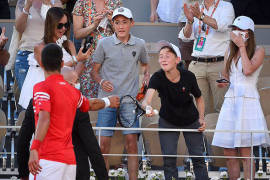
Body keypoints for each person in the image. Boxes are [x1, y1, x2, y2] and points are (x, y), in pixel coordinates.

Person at [27, 43, 119, 180]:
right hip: (69, 163)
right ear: (63, 63)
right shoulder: (73, 92)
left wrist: (34, 148)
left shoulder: (41, 87)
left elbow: (44, 118)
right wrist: (108, 101)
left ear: (41, 64)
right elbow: (90, 104)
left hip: (47, 159)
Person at [91, 7, 150, 180]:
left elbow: (146, 65)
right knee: (103, 145)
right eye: (117, 22)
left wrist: (145, 79)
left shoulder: (140, 43)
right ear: (113, 24)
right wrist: (102, 81)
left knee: (132, 145)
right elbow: (94, 72)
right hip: (107, 101)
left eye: (124, 22)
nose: (121, 26)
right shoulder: (103, 43)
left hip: (130, 101)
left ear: (132, 23)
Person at [17, 70, 109, 180]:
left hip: (46, 165)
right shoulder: (78, 104)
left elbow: (23, 140)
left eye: (77, 81)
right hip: (73, 168)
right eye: (73, 83)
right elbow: (92, 147)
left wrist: (23, 174)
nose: (76, 86)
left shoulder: (37, 100)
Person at [212, 16, 270, 180]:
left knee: (245, 150)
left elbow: (248, 70)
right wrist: (222, 82)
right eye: (235, 29)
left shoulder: (259, 50)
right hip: (231, 100)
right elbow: (226, 76)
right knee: (228, 151)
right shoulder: (229, 50)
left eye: (241, 30)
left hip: (247, 101)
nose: (236, 33)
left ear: (249, 34)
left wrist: (242, 48)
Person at [142, 41, 208, 180]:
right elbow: (147, 100)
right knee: (169, 160)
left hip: (191, 120)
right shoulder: (157, 77)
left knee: (198, 159)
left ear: (177, 59)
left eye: (167, 56)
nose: (163, 59)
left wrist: (201, 118)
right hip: (168, 121)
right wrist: (147, 107)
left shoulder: (188, 76)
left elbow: (199, 98)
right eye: (160, 56)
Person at [18, 7, 90, 109]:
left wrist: (83, 59)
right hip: (44, 94)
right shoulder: (40, 47)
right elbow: (51, 69)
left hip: (65, 92)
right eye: (60, 25)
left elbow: (74, 72)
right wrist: (76, 59)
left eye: (66, 25)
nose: (64, 29)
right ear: (51, 25)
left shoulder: (69, 44)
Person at [178, 0, 235, 114]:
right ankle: (201, 132)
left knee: (222, 107)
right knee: (198, 108)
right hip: (197, 64)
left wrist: (201, 16)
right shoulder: (197, 7)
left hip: (219, 64)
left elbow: (222, 26)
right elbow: (186, 36)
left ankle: (219, 132)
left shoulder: (226, 6)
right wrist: (189, 21)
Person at [72, 0, 121, 98]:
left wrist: (112, 21)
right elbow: (77, 34)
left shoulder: (115, 3)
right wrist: (93, 25)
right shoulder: (81, 3)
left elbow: (122, 33)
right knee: (89, 101)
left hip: (110, 60)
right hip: (89, 59)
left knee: (110, 98)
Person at [14, 0, 62, 91]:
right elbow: (19, 28)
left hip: (49, 55)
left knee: (48, 97)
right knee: (28, 102)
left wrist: (49, 4)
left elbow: (60, 27)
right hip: (26, 55)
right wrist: (27, 6)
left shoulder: (55, 2)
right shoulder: (22, 2)